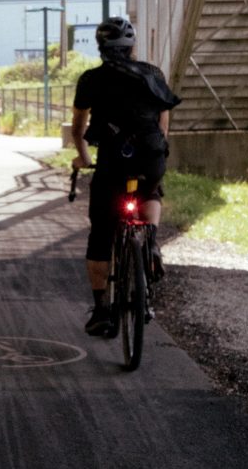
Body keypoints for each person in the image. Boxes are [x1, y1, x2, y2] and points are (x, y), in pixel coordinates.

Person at [70, 17, 181, 337]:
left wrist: (84, 157)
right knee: (151, 191)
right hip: (149, 155)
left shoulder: (90, 79)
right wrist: (156, 154)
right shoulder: (153, 74)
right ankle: (151, 243)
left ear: (101, 47)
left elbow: (78, 128)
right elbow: (162, 127)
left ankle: (102, 310)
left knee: (101, 233)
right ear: (132, 48)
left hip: (113, 160)